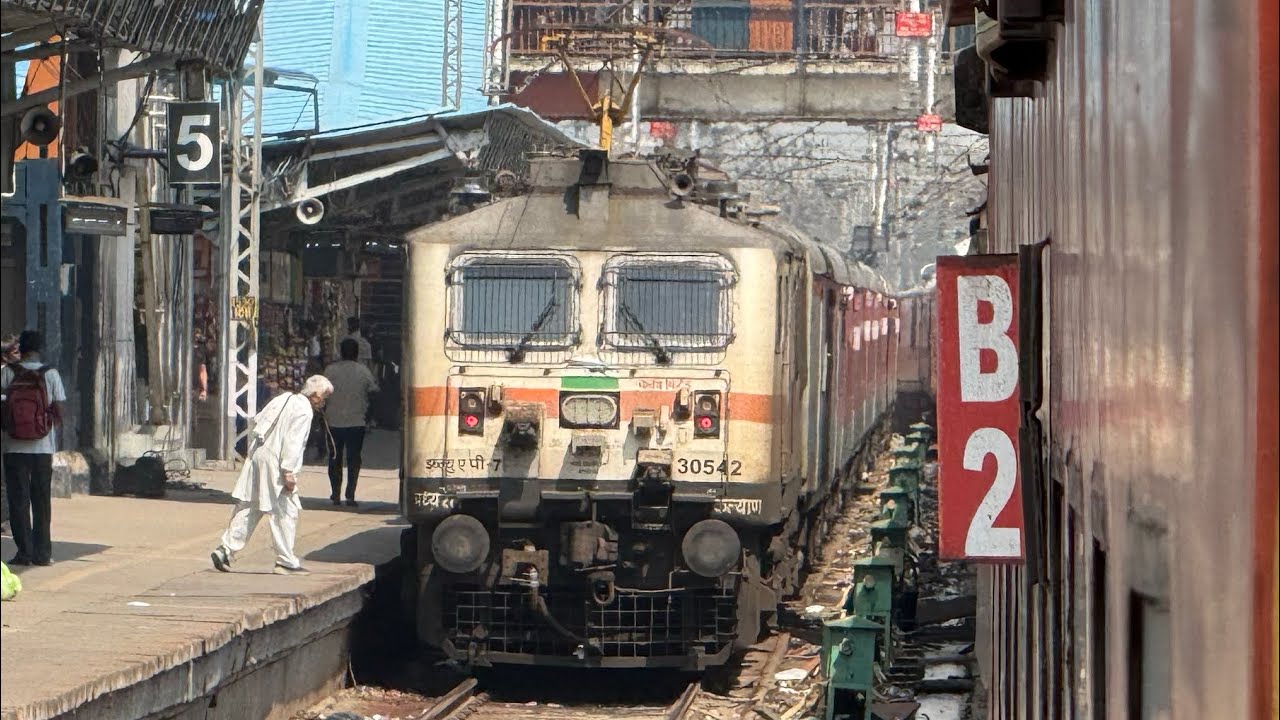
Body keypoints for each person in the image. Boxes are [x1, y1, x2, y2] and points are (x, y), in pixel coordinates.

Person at [210, 375, 334, 576]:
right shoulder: (304, 411)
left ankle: (225, 549)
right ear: (316, 395)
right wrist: (289, 472)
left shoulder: (284, 398)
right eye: (324, 397)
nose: (324, 402)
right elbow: (293, 443)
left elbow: (260, 419)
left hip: (259, 453)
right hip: (276, 461)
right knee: (285, 510)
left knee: (251, 505)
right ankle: (286, 560)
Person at [0, 331, 66, 566]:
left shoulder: (8, 373)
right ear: (40, 348)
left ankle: (24, 553)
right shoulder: (51, 374)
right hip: (42, 447)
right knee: (41, 501)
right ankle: (43, 553)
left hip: (13, 447)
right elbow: (59, 411)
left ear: (21, 348)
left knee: (19, 501)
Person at [323, 339, 378, 507]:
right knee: (354, 459)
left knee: (334, 459)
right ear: (356, 353)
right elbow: (374, 392)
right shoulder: (364, 371)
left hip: (333, 421)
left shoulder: (330, 371)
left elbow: (322, 393)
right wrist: (369, 415)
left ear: (341, 352)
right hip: (356, 422)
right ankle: (350, 495)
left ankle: (335, 494)